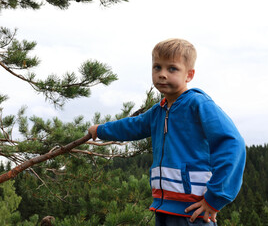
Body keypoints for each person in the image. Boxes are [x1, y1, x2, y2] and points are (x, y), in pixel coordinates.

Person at [88, 38, 246, 226]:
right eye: (157, 67)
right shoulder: (158, 111)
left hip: (192, 212)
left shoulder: (198, 104)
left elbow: (232, 144)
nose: (162, 74)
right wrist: (101, 130)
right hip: (163, 207)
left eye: (172, 68)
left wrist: (215, 199)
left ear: (189, 75)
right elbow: (132, 126)